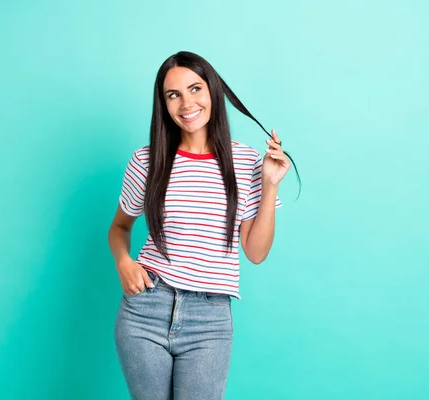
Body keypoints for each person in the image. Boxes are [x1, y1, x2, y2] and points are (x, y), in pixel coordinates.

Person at [107, 51, 299, 400]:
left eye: (195, 89)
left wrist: (270, 184)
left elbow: (256, 253)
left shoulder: (246, 162)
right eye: (173, 95)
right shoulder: (146, 161)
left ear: (213, 92)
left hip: (209, 319)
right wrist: (124, 262)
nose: (186, 103)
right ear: (163, 104)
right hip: (145, 309)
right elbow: (119, 228)